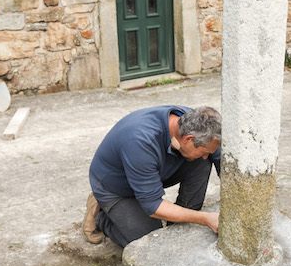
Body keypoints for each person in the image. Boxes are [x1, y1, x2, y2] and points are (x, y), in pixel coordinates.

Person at [83, 105, 222, 248]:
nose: (206, 155)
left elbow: (222, 161)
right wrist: (205, 219)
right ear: (188, 139)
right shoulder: (140, 141)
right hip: (117, 188)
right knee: (150, 241)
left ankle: (179, 222)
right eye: (205, 151)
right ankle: (102, 216)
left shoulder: (197, 123)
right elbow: (152, 205)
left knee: (202, 161)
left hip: (153, 171)